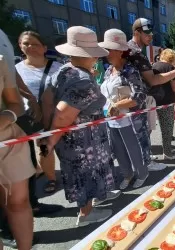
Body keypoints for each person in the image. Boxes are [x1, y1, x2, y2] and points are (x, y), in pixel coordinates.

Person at [41, 26, 119, 227]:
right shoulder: (82, 80)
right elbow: (62, 115)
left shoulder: (65, 70)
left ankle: (89, 206)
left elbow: (48, 100)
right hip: (83, 143)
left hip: (73, 140)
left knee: (80, 174)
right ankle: (86, 214)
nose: (96, 58)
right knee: (84, 175)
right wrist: (47, 144)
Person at [129, 18, 175, 167]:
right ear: (136, 32)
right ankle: (145, 164)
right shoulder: (135, 52)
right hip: (137, 101)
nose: (150, 36)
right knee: (143, 134)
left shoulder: (134, 50)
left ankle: (143, 161)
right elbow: (153, 80)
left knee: (142, 134)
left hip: (141, 100)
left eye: (151, 33)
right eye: (146, 33)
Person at [99, 29, 150, 190]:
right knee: (119, 150)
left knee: (134, 149)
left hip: (128, 119)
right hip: (111, 120)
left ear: (120, 51)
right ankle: (127, 175)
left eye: (109, 49)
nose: (106, 53)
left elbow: (140, 95)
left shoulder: (130, 70)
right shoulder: (108, 70)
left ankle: (142, 174)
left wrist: (118, 105)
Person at [0, 28, 35, 250]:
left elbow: (15, 104)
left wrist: (4, 119)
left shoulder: (1, 61)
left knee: (19, 201)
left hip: (7, 142)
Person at [15, 31, 62, 194]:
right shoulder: (15, 69)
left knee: (46, 146)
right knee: (35, 148)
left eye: (34, 44)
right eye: (25, 43)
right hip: (28, 116)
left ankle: (50, 177)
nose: (30, 47)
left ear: (44, 47)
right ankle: (44, 173)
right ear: (20, 46)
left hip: (53, 114)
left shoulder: (57, 67)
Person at [152, 49, 175, 160]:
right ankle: (167, 153)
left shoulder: (154, 65)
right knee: (167, 128)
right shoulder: (170, 68)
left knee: (151, 128)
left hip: (153, 100)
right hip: (166, 101)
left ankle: (150, 153)